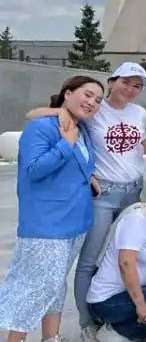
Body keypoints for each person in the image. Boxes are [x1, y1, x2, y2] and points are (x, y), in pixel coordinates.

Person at [0, 76, 100, 342]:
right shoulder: (42, 128)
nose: (92, 102)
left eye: (97, 100)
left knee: (55, 286)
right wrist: (65, 145)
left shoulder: (84, 129)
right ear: (67, 93)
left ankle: (51, 337)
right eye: (87, 94)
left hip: (75, 223)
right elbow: (33, 170)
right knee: (34, 288)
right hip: (46, 224)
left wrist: (89, 177)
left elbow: (80, 163)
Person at [76, 62, 146, 337]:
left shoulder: (139, 112)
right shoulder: (95, 110)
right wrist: (86, 172)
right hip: (103, 194)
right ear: (112, 81)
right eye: (126, 82)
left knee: (127, 255)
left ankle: (119, 316)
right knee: (90, 259)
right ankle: (88, 322)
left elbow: (141, 143)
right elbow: (71, 134)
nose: (131, 89)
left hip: (133, 191)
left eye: (137, 85)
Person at [86, 170, 146, 342]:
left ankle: (140, 328)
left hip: (130, 293)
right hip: (108, 299)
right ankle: (116, 330)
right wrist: (141, 304)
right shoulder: (138, 218)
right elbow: (126, 263)